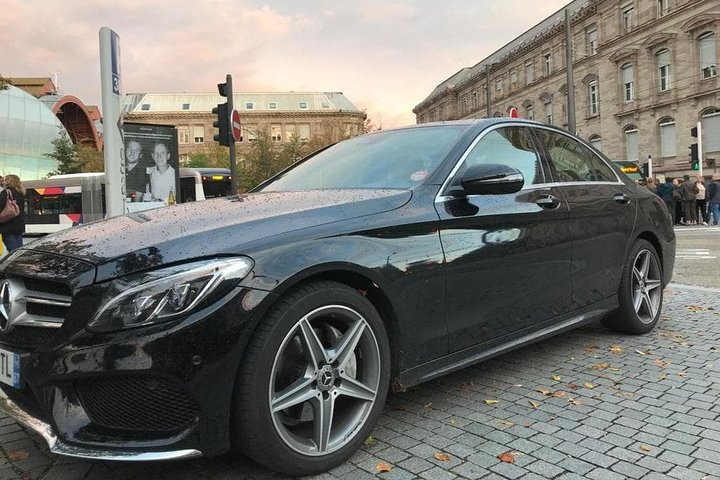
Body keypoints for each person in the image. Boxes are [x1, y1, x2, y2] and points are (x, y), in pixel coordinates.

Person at [0, 174, 25, 252]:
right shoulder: (21, 193)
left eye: (5, 180)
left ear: (8, 181)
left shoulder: (6, 192)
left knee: (13, 251)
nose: (3, 181)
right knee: (19, 251)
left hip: (8, 225)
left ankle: (15, 264)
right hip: (18, 225)